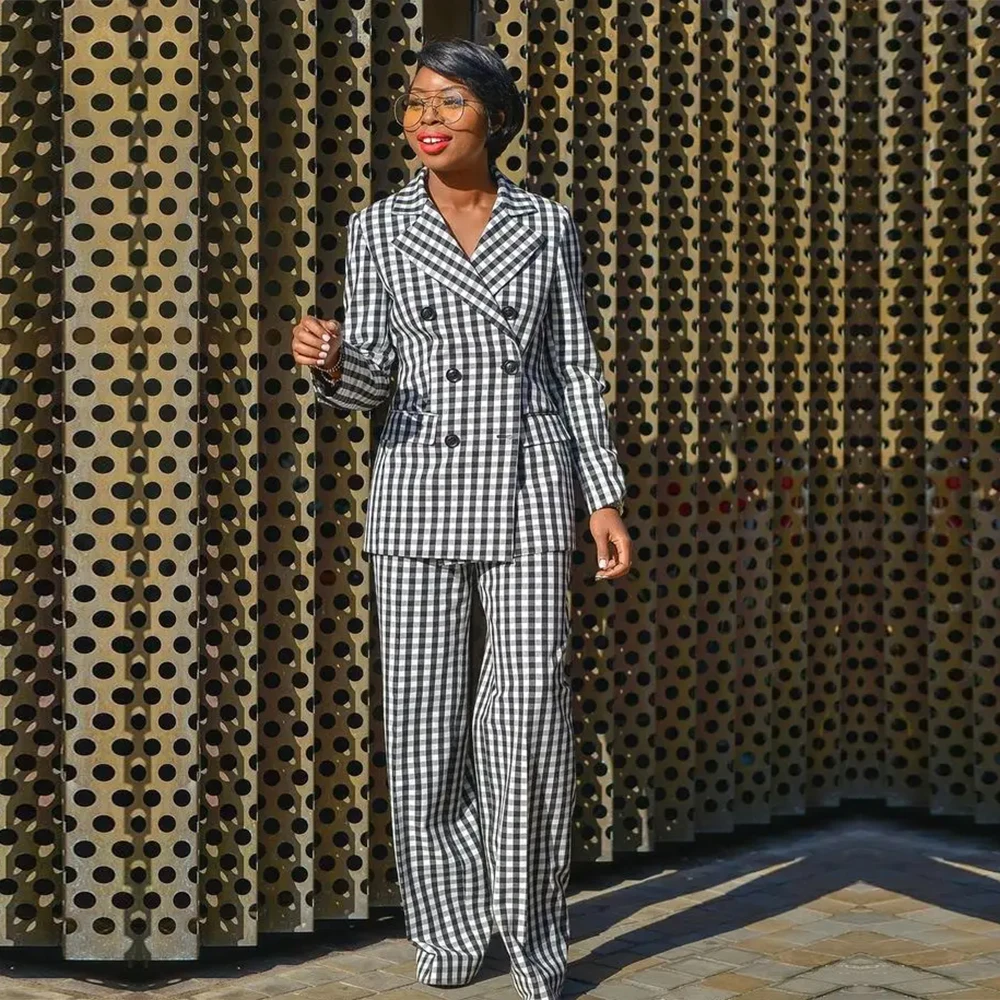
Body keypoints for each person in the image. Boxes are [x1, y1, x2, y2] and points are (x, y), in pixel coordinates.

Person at [291, 37, 630, 1000]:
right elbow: (373, 382)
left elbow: (572, 367)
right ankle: (447, 924)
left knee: (527, 721)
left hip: (528, 488)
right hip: (418, 494)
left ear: (494, 115)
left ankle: (531, 936)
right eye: (414, 104)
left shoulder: (546, 223)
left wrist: (600, 495)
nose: (426, 120)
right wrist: (329, 361)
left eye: (448, 102)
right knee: (424, 727)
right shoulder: (377, 229)